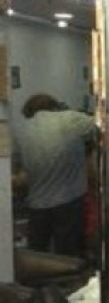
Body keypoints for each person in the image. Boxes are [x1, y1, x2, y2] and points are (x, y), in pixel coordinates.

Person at [14, 94, 98, 258]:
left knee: (38, 254)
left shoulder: (21, 130)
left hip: (37, 204)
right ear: (54, 106)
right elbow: (98, 127)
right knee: (68, 254)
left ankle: (41, 274)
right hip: (69, 200)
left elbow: (21, 170)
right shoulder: (71, 119)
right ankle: (70, 274)